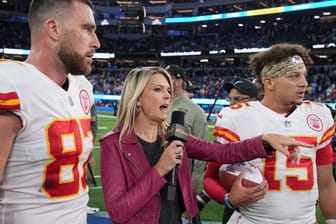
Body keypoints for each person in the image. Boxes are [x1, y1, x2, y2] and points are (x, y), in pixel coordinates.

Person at [99, 66, 311, 224]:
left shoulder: (173, 135)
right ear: (137, 99)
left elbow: (220, 152)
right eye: (157, 89)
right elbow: (118, 212)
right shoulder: (113, 144)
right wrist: (161, 169)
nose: (167, 95)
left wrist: (263, 140)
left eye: (168, 90)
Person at [203, 43, 336, 224]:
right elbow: (210, 177)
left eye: (304, 75)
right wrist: (229, 199)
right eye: (293, 76)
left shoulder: (318, 115)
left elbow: (326, 184)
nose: (304, 83)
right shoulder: (237, 117)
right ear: (270, 82)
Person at [0, 0, 100, 223]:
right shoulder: (10, 84)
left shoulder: (83, 87)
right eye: (87, 29)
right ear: (54, 29)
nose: (96, 42)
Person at [198, 79, 259, 224]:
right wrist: (228, 199)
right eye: (230, 99)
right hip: (236, 210)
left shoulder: (272, 126)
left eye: (237, 99)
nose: (231, 104)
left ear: (254, 101)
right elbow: (210, 176)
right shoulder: (228, 130)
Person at [165, 64, 208, 223]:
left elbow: (202, 152)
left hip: (181, 178)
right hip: (156, 174)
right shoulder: (159, 105)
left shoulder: (195, 111)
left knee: (183, 216)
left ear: (178, 81)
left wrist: (194, 181)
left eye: (168, 77)